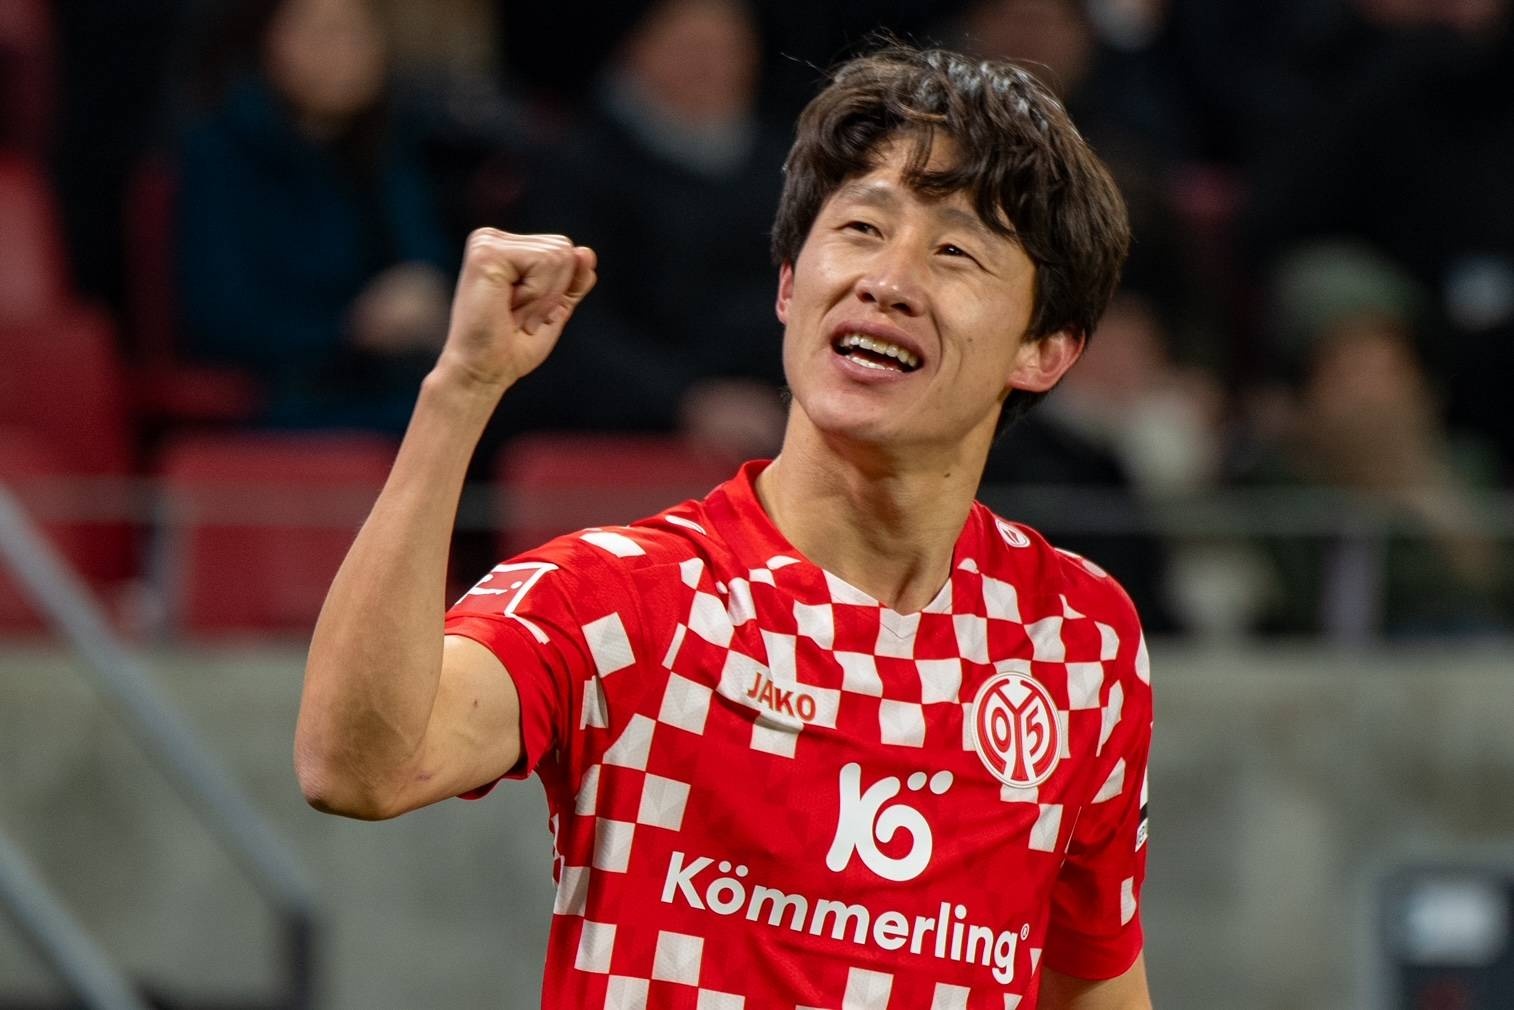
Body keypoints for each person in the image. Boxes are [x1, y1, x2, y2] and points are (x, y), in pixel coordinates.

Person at [296, 43, 1154, 1009]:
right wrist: (459, 392)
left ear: (1045, 349)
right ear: (789, 284)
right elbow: (358, 768)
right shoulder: (623, 602)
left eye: (954, 252)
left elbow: (1095, 987)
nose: (887, 279)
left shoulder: (1079, 639)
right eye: (862, 228)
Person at [176, 0, 453, 433]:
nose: (345, 51)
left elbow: (423, 260)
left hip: (393, 380)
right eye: (323, 33)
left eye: (358, 34)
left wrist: (424, 295)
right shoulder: (219, 154)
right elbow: (222, 318)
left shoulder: (387, 146)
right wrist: (353, 329)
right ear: (270, 43)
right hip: (280, 394)